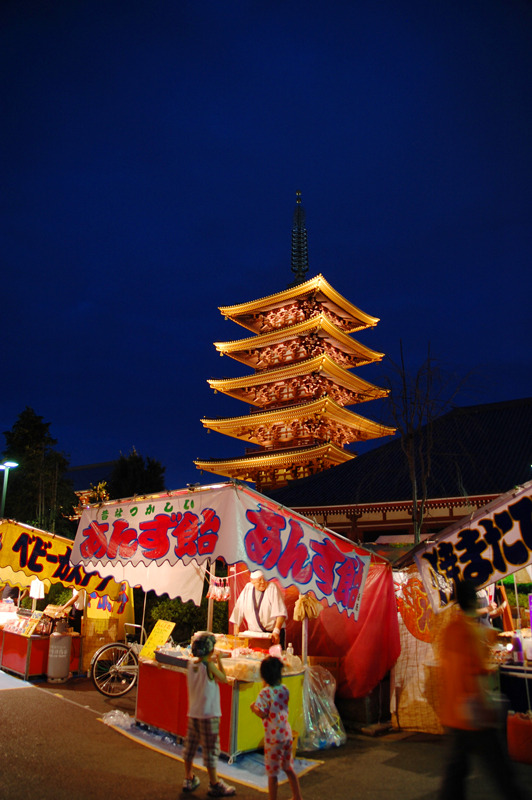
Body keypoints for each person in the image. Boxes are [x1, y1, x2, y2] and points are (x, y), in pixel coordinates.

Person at [437, 579, 529, 800]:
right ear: (472, 601)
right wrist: (485, 707)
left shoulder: (451, 629)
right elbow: (473, 673)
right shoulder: (468, 632)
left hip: (454, 712)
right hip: (473, 712)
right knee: (499, 770)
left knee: (456, 772)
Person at [182, 631, 236, 797]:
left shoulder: (191, 665)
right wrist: (219, 661)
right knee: (211, 749)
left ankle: (189, 777)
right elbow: (224, 678)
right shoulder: (209, 666)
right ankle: (214, 783)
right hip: (209, 714)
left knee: (190, 747)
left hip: (194, 713)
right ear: (211, 650)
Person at [250, 656, 303, 800]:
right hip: (286, 735)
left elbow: (262, 712)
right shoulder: (284, 689)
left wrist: (253, 708)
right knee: (288, 767)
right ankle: (297, 796)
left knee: (272, 774)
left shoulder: (264, 693)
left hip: (273, 739)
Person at [230, 570, 287, 646]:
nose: (263, 582)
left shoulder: (272, 587)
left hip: (272, 635)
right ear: (252, 581)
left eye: (265, 578)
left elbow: (280, 613)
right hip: (254, 635)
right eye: (259, 580)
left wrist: (276, 632)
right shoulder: (248, 588)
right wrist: (236, 634)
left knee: (273, 657)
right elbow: (238, 610)